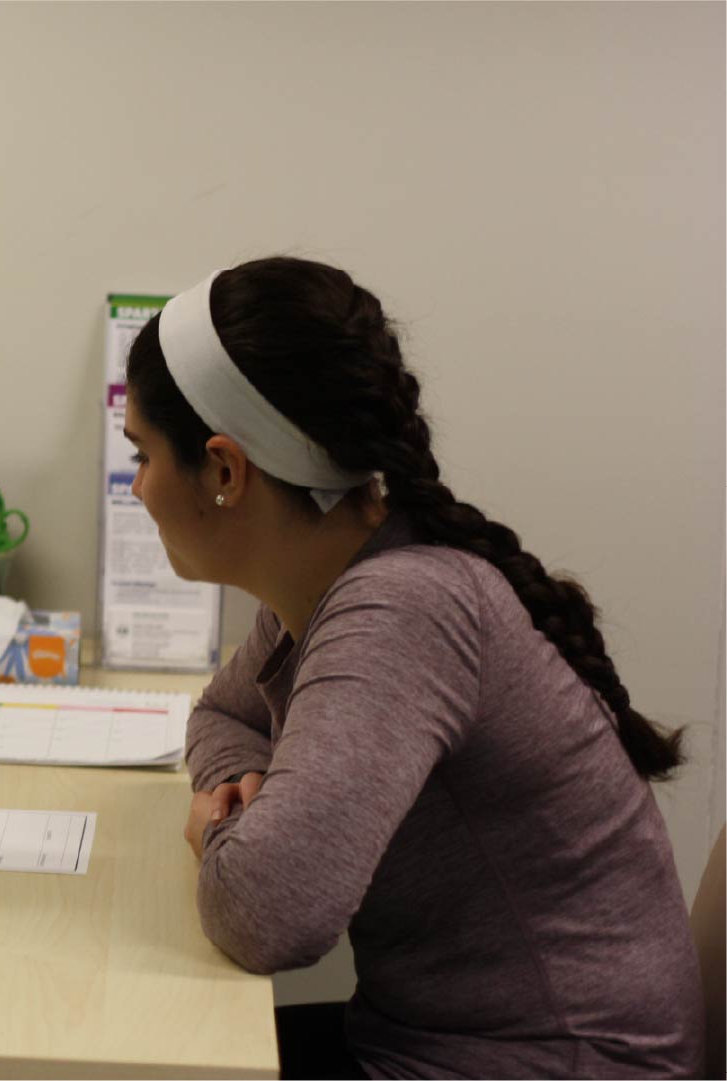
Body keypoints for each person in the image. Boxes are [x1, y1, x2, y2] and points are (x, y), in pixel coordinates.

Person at [120, 257, 702, 1078]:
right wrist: (235, 779)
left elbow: (267, 914)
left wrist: (217, 825)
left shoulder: (401, 608)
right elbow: (223, 715)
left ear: (223, 469)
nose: (137, 486)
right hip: (439, 1042)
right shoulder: (335, 574)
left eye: (140, 454)